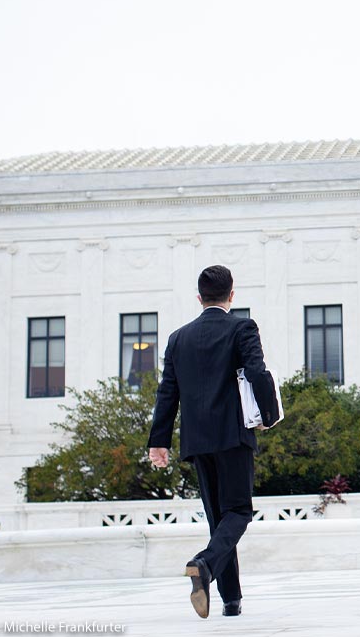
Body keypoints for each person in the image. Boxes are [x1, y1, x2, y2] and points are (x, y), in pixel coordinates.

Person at [147, 265, 279, 619]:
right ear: (231, 296)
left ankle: (231, 600)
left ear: (199, 298)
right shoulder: (242, 327)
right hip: (232, 435)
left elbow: (167, 393)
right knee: (237, 512)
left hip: (196, 440)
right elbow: (257, 372)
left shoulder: (178, 338)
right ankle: (204, 563)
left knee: (219, 518)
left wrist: (158, 441)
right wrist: (268, 415)